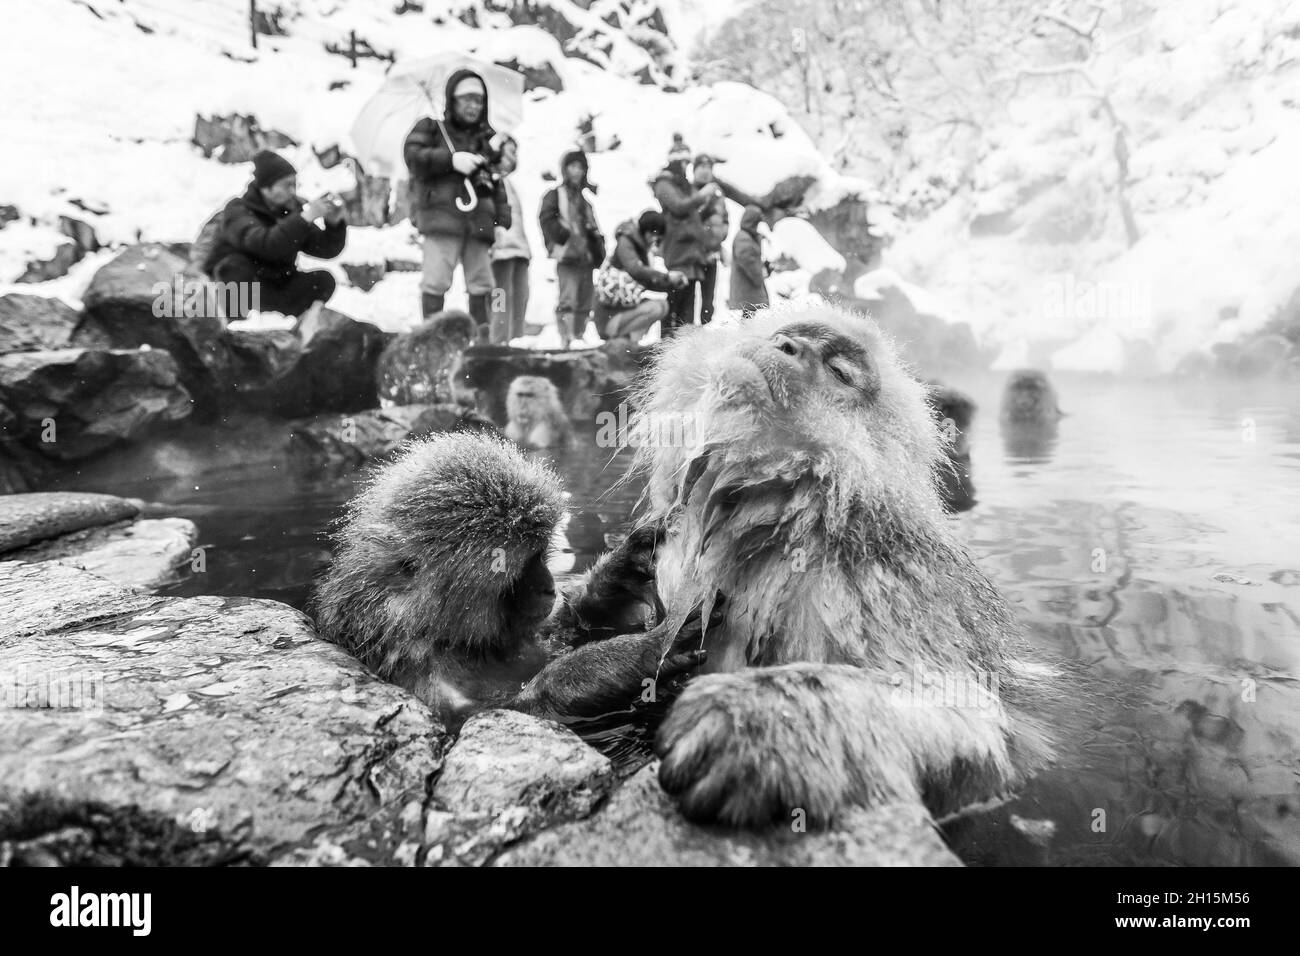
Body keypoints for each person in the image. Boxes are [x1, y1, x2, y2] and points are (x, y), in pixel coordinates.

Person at [403, 69, 510, 334]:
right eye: (467, 99)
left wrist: (502, 221)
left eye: (479, 100)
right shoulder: (431, 128)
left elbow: (497, 183)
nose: (474, 106)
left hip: (479, 223)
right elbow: (413, 157)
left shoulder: (486, 140)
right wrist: (449, 160)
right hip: (441, 219)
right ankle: (430, 339)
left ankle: (482, 342)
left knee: (482, 284)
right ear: (453, 100)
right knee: (435, 281)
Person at [206, 150, 346, 318]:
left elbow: (324, 249)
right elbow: (266, 244)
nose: (292, 191)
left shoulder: (290, 211)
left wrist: (334, 224)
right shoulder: (238, 210)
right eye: (286, 185)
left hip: (274, 288)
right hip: (242, 289)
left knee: (323, 281)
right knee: (236, 268)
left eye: (294, 185)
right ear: (266, 188)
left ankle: (278, 320)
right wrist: (304, 218)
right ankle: (238, 321)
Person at [538, 148, 604, 348]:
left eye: (581, 167)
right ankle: (566, 338)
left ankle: (579, 336)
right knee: (568, 299)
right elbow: (546, 219)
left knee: (585, 300)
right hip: (567, 255)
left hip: (586, 257)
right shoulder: (554, 194)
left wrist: (598, 247)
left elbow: (594, 228)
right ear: (565, 169)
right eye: (573, 166)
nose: (577, 171)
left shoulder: (585, 202)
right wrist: (563, 236)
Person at [593, 210, 687, 348]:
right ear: (646, 231)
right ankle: (623, 342)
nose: (654, 240)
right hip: (609, 317)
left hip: (623, 311)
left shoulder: (641, 248)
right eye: (653, 235)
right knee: (655, 307)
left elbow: (645, 279)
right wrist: (667, 277)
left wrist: (670, 283)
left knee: (662, 306)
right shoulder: (626, 242)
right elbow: (636, 270)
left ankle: (630, 342)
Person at [489, 135, 532, 343]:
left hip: (518, 251)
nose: (514, 157)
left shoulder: (509, 184)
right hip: (499, 252)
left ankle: (516, 341)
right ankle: (498, 343)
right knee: (501, 299)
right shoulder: (488, 180)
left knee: (520, 297)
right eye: (510, 151)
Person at [693, 153, 729, 327]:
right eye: (702, 167)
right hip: (694, 253)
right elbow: (687, 219)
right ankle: (686, 331)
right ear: (694, 169)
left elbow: (725, 218)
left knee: (709, 298)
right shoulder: (690, 191)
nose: (706, 172)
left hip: (713, 253)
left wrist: (722, 235)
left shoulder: (717, 193)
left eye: (709, 168)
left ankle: (705, 327)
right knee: (690, 296)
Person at [729, 204, 770, 319]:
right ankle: (745, 336)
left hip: (747, 283)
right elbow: (747, 260)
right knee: (748, 315)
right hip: (747, 283)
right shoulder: (743, 238)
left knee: (749, 314)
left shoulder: (747, 236)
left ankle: (746, 334)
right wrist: (757, 276)